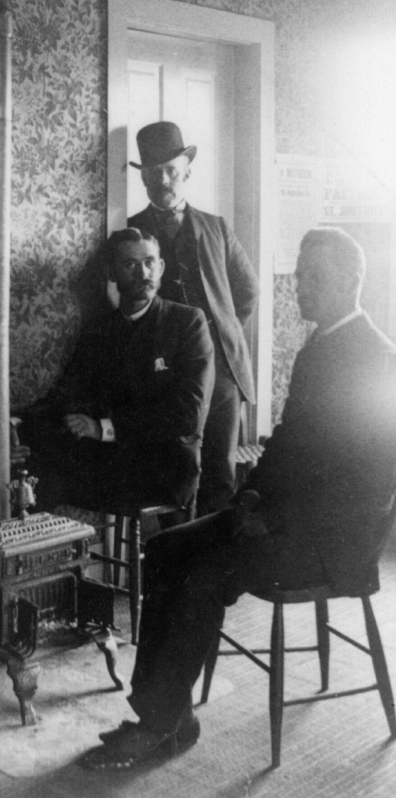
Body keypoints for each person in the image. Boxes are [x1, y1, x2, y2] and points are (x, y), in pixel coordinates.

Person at [81, 227, 396, 772]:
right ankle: (170, 717)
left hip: (327, 542)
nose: (298, 287)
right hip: (279, 519)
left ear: (349, 281)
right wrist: (249, 494)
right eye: (298, 275)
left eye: (311, 278)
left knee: (204, 575)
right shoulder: (321, 347)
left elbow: (359, 481)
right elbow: (292, 446)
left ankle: (157, 724)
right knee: (165, 550)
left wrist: (269, 518)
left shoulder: (376, 359)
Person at [16, 227, 215, 517]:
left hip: (165, 469)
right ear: (112, 272)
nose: (142, 272)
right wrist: (17, 422)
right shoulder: (100, 329)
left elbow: (188, 415)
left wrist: (103, 429)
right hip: (113, 464)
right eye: (130, 264)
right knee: (33, 468)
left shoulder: (186, 323)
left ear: (160, 268)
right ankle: (40, 555)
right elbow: (66, 394)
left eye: (149, 263)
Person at [128, 122, 259, 514]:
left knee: (219, 472)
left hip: (221, 375)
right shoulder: (132, 232)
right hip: (166, 376)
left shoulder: (215, 227)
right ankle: (178, 562)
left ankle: (215, 567)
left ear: (187, 169)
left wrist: (221, 333)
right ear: (144, 178)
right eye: (153, 173)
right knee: (175, 477)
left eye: (170, 170)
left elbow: (248, 290)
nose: (162, 180)